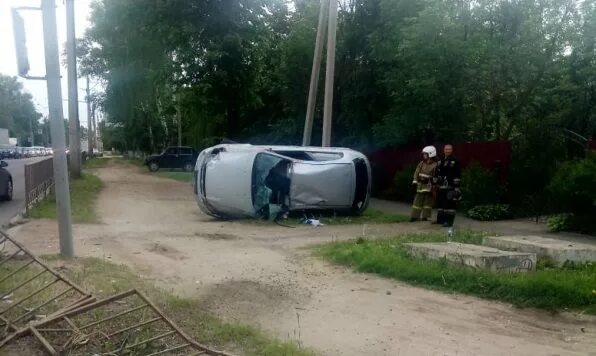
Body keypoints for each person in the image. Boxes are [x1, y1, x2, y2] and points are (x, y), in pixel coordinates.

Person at [434, 144, 461, 227]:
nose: (447, 151)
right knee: (441, 204)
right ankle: (440, 220)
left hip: (450, 186)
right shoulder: (440, 161)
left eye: (449, 149)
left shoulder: (455, 160)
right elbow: (437, 173)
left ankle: (448, 222)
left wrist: (456, 187)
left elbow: (457, 174)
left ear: (452, 150)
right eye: (446, 149)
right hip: (441, 186)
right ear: (444, 150)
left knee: (449, 204)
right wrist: (436, 183)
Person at [410, 146, 438, 222]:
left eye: (425, 154)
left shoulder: (435, 165)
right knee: (417, 201)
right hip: (420, 185)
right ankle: (414, 216)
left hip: (429, 186)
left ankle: (425, 216)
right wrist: (415, 180)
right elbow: (416, 172)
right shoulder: (421, 163)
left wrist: (434, 186)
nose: (424, 155)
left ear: (430, 154)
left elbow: (436, 177)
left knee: (428, 201)